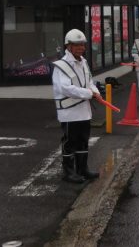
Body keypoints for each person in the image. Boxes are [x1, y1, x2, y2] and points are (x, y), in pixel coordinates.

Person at [52, 29, 101, 184]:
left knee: (83, 141)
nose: (81, 48)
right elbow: (65, 88)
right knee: (69, 142)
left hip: (83, 111)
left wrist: (95, 92)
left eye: (82, 45)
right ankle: (68, 172)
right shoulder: (61, 65)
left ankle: (82, 169)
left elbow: (90, 82)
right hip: (69, 112)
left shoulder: (83, 62)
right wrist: (89, 93)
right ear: (69, 47)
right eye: (77, 45)